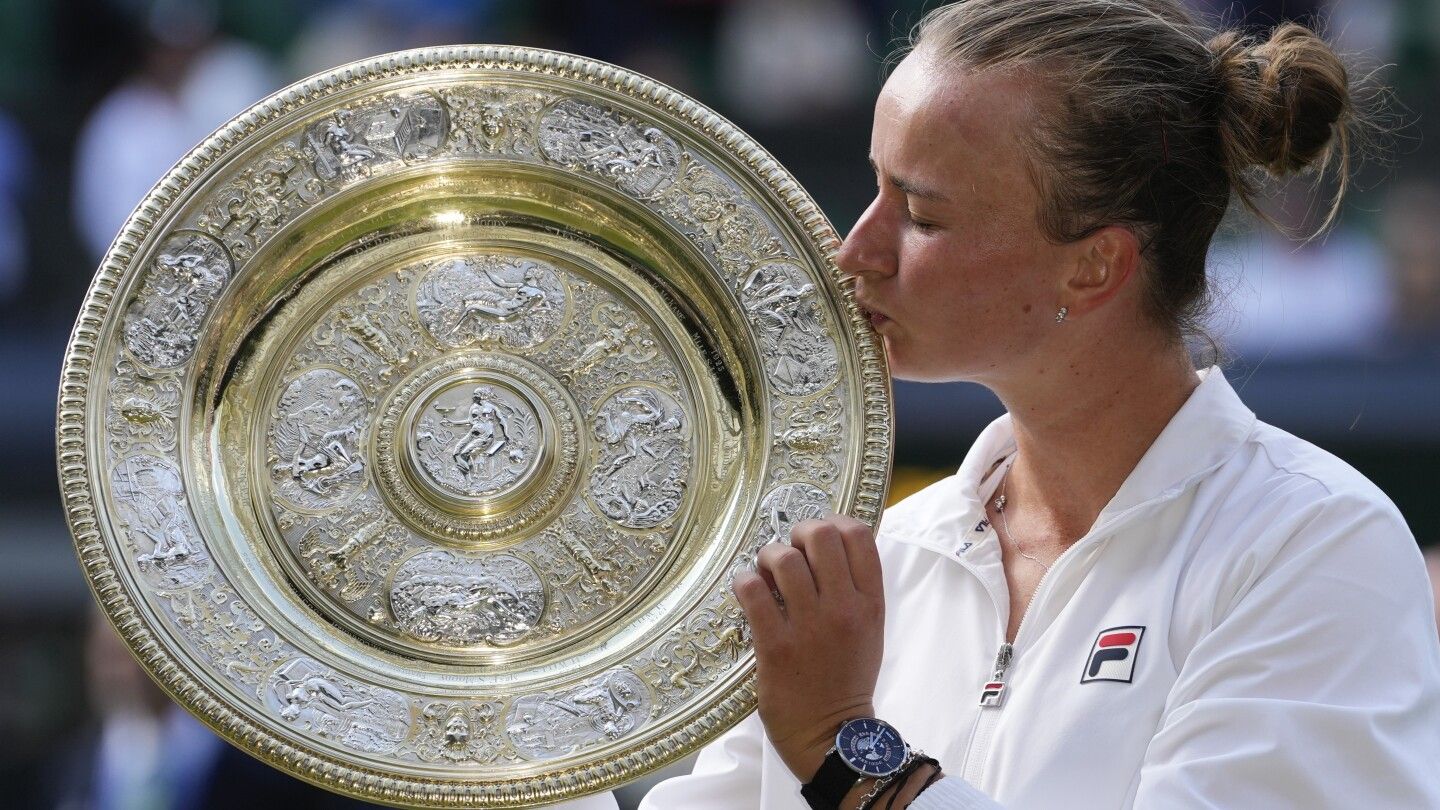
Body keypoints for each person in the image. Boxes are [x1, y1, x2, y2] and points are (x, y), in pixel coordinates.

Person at [634, 1, 1440, 808]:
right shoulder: (885, 553)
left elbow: (829, 748)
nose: (858, 250)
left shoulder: (1317, 544)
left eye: (920, 215)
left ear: (1093, 267)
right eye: (876, 188)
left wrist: (845, 748)